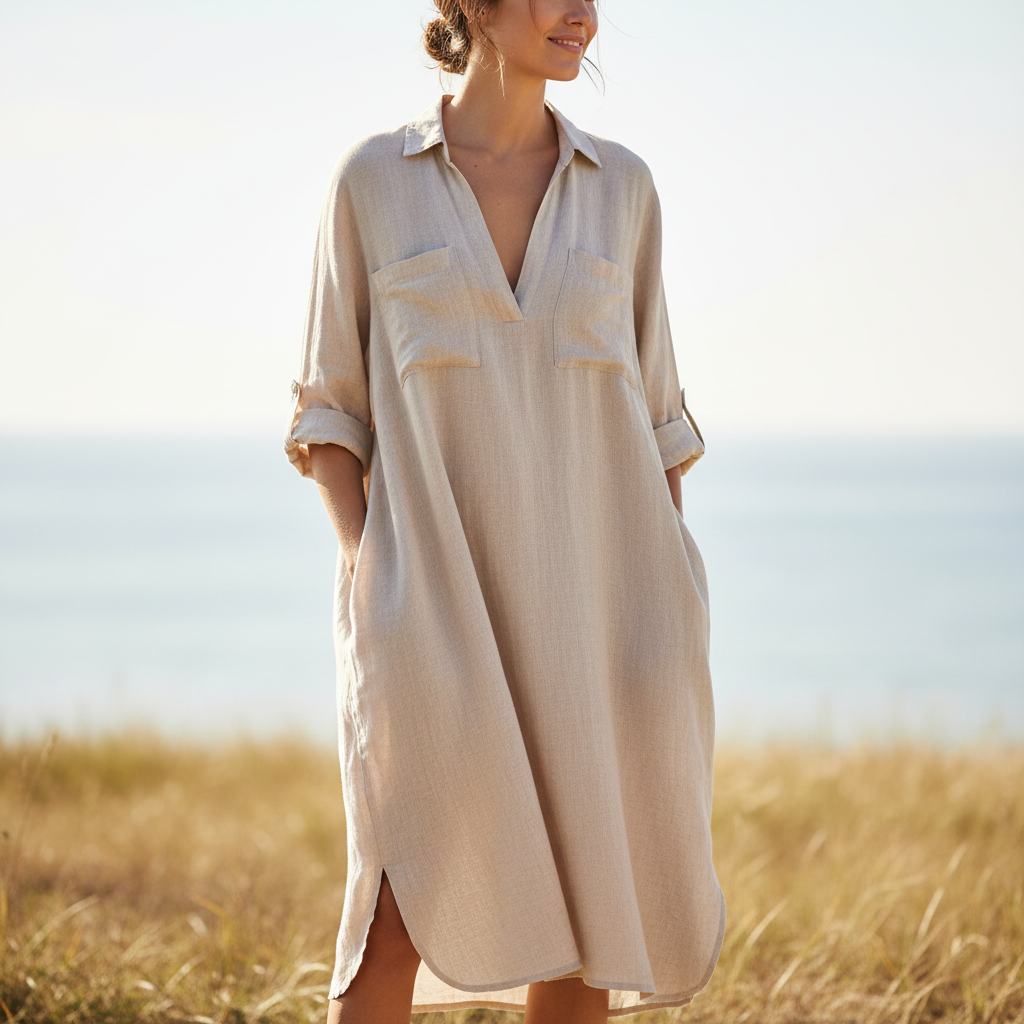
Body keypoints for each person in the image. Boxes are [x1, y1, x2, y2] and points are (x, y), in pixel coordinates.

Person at [284, 0, 725, 1021]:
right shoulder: (373, 182)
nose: (583, 15)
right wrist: (372, 573)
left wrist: (662, 608)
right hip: (431, 620)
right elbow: (330, 415)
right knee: (394, 912)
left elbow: (659, 426)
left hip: (605, 617)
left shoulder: (622, 190)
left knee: (583, 929)